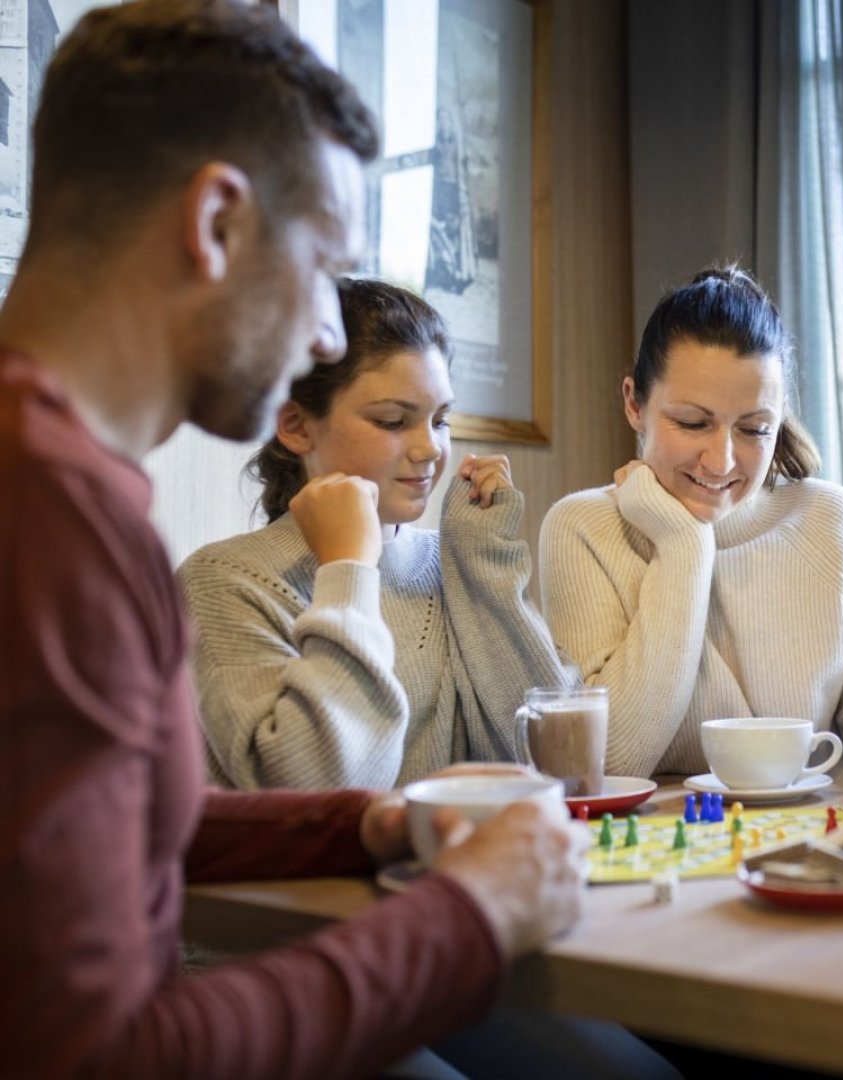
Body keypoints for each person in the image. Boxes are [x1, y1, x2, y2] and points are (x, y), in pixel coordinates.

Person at [0, 4, 674, 1077]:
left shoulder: (67, 490)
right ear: (217, 222)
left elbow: (133, 834)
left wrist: (369, 826)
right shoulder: (51, 521)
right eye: (322, 265)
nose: (324, 330)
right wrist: (467, 918)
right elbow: (98, 1055)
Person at [539, 266, 843, 783]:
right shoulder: (582, 528)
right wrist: (683, 545)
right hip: (659, 857)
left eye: (754, 429)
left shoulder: (831, 521)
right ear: (634, 403)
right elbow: (610, 763)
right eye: (692, 423)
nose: (720, 462)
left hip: (813, 855)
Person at [178, 277, 570, 791]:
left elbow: (554, 759)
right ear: (295, 425)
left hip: (458, 867)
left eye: (441, 419)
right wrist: (349, 569)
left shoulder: (447, 564)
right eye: (392, 421)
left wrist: (482, 562)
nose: (430, 448)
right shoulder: (224, 582)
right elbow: (318, 792)